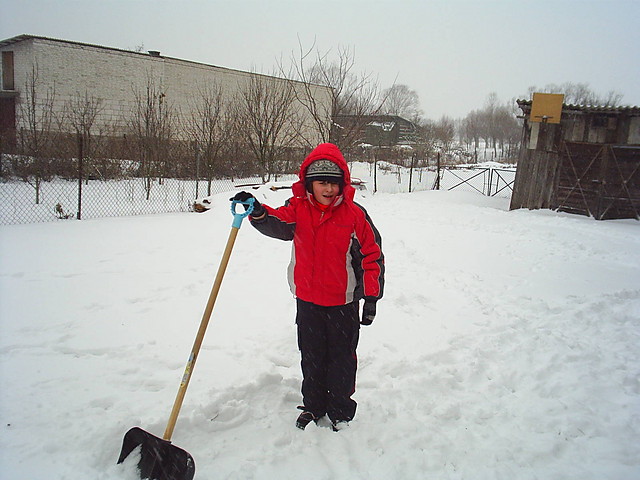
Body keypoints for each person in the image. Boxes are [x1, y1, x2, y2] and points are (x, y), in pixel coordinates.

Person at [231, 142, 384, 431]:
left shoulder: (354, 215)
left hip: (343, 303)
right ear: (309, 184)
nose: (328, 189)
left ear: (343, 184)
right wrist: (258, 212)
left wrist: (371, 297)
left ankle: (340, 409)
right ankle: (313, 405)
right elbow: (278, 222)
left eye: (334, 183)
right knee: (312, 357)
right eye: (321, 183)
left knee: (341, 360)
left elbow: (371, 256)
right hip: (309, 301)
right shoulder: (298, 208)